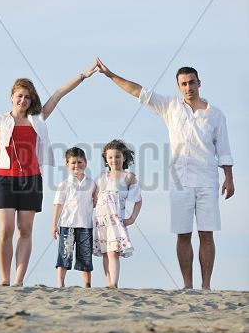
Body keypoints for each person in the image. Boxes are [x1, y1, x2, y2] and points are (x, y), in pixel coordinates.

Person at [96, 58, 234, 290]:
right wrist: (111, 75)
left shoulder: (215, 115)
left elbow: (224, 149)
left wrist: (229, 178)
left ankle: (206, 286)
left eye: (192, 83)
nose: (188, 87)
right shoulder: (170, 106)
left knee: (206, 235)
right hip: (180, 182)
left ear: (199, 83)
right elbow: (138, 91)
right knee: (182, 234)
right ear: (178, 87)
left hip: (207, 181)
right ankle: (187, 285)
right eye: (183, 84)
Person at [0, 64, 97, 286]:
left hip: (31, 180)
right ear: (11, 97)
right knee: (6, 229)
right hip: (5, 178)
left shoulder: (37, 119)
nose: (23, 100)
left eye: (27, 97)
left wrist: (84, 75)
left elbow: (59, 93)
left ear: (31, 100)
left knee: (25, 229)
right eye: (19, 96)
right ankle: (4, 278)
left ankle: (18, 280)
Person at [93, 139, 142, 288]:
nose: (114, 160)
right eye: (110, 157)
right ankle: (108, 282)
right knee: (105, 253)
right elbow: (94, 198)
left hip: (115, 221)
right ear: (106, 159)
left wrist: (132, 218)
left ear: (124, 158)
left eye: (117, 157)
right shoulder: (101, 178)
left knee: (113, 252)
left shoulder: (128, 177)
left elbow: (138, 200)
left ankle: (113, 283)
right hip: (101, 222)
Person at [52, 147, 96, 288]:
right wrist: (54, 224)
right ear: (67, 165)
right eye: (73, 163)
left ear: (85, 163)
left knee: (85, 255)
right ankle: (60, 282)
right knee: (65, 254)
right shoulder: (64, 185)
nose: (76, 165)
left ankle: (87, 283)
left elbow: (96, 201)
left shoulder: (92, 184)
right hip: (67, 224)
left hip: (86, 225)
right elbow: (58, 205)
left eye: (79, 162)